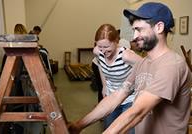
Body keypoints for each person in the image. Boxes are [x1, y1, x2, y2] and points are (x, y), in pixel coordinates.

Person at [68, 2, 192, 134]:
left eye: (139, 29)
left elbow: (137, 112)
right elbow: (117, 96)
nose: (134, 37)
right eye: (134, 30)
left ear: (159, 27)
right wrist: (79, 125)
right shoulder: (143, 63)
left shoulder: (171, 65)